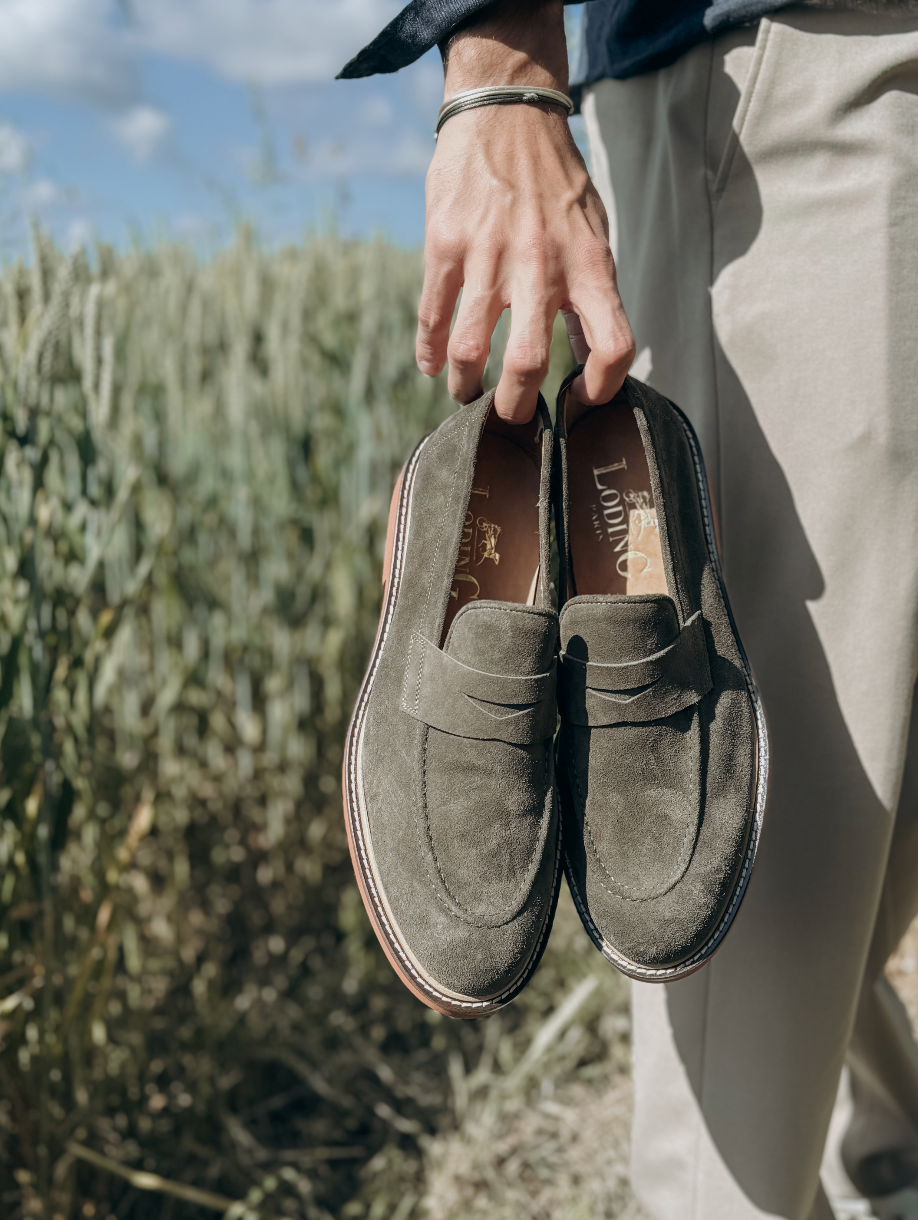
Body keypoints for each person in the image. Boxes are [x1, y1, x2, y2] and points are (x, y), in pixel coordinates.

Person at [339, 3, 918, 1218]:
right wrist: (499, 60)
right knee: (764, 891)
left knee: (884, 759)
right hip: (799, 61)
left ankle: (884, 1152)